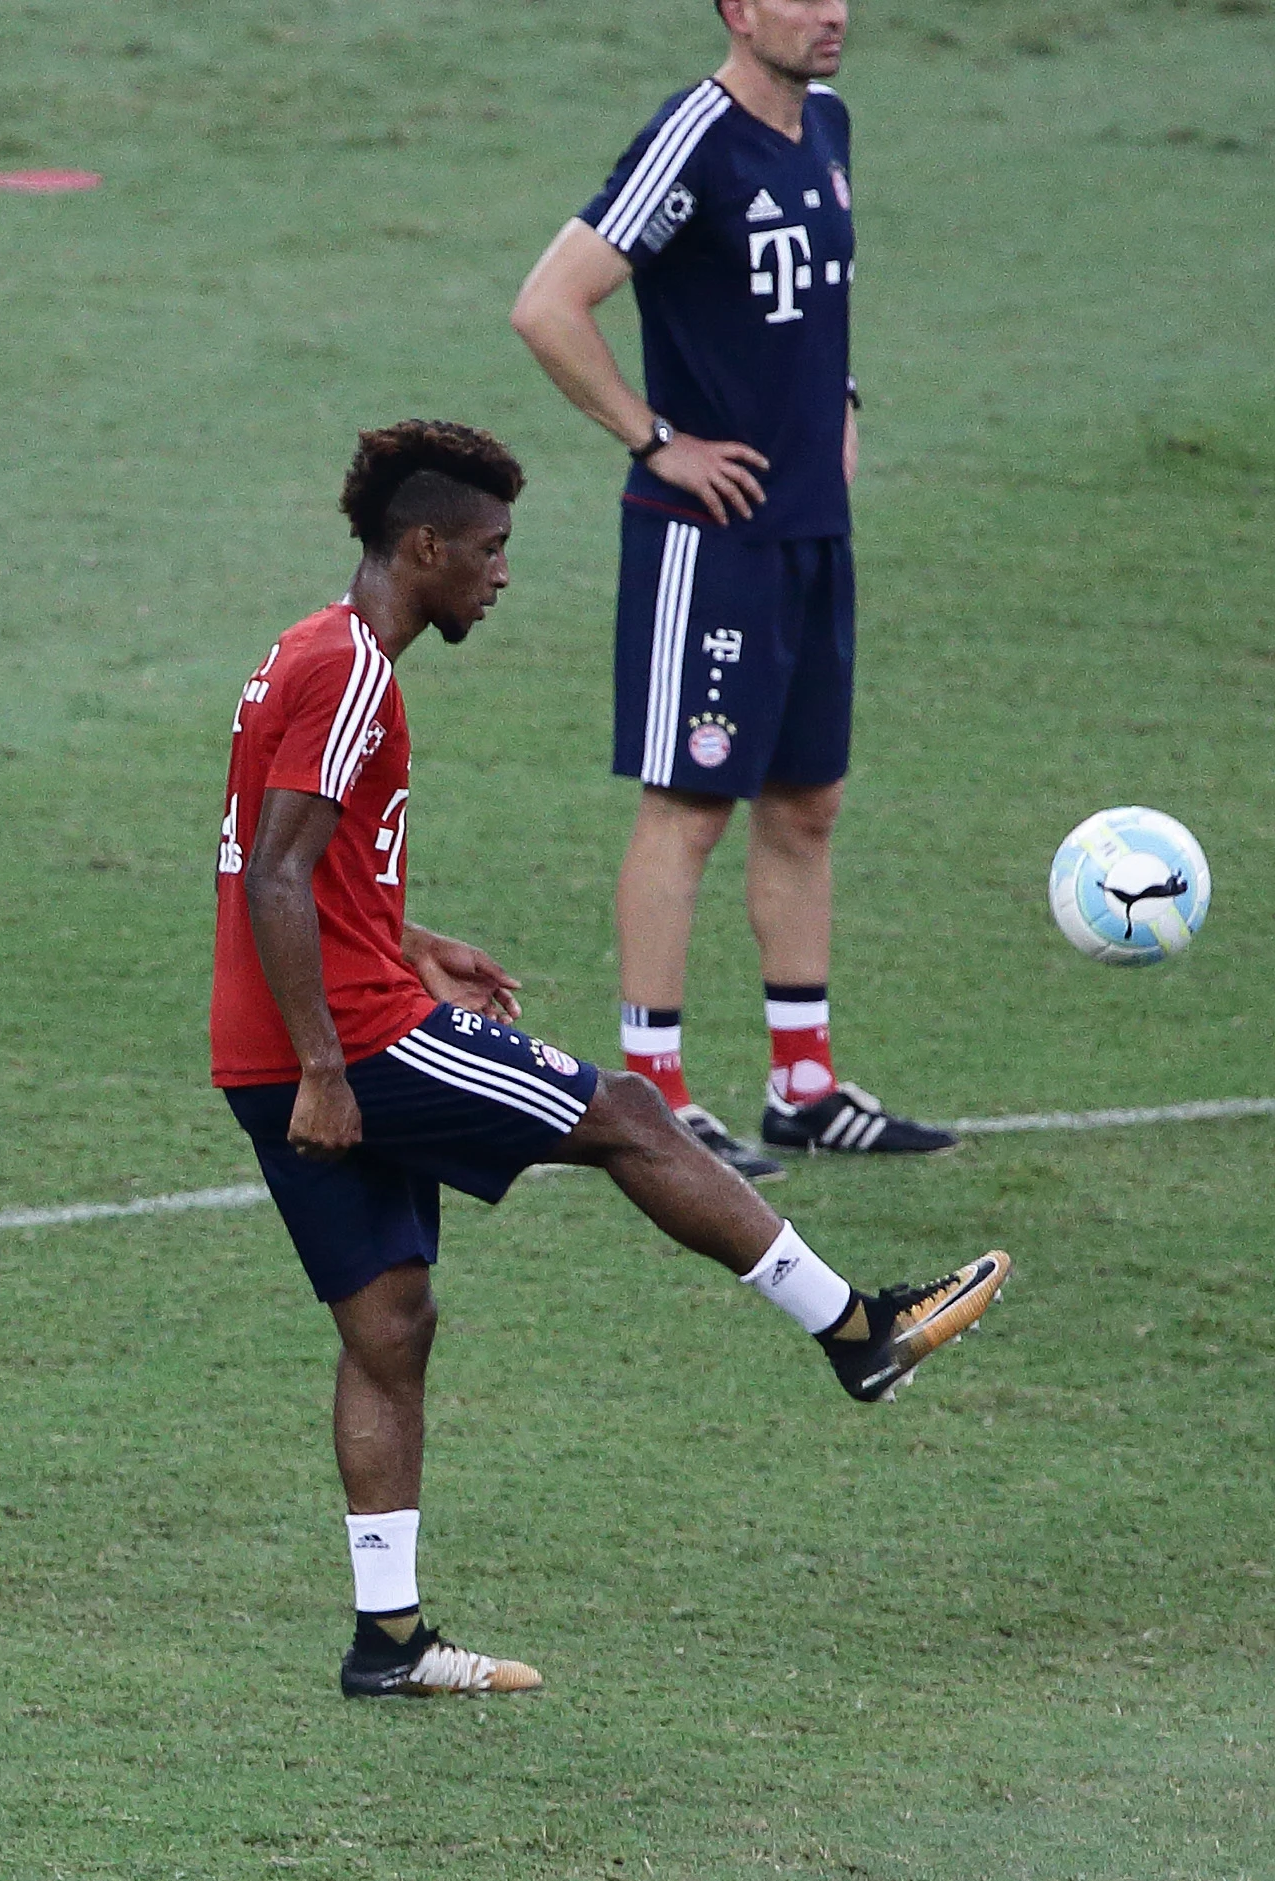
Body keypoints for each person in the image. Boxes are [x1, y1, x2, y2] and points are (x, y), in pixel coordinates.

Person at [212, 421, 1007, 1699]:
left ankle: (389, 1641)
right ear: (423, 547)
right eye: (488, 549)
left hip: (281, 1038)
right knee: (632, 1111)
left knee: (390, 1327)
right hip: (348, 1040)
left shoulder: (307, 654)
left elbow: (288, 864)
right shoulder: (351, 669)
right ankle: (855, 1328)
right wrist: (326, 1064)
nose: (501, 574)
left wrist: (414, 941)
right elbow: (278, 874)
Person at [508, 0, 959, 1177]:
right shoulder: (693, 139)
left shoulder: (829, 128)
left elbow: (811, 296)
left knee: (807, 803)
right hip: (704, 543)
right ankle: (650, 1094)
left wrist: (843, 397)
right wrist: (655, 438)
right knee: (689, 808)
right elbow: (547, 306)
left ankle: (803, 1086)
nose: (832, 13)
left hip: (813, 532)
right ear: (736, 9)